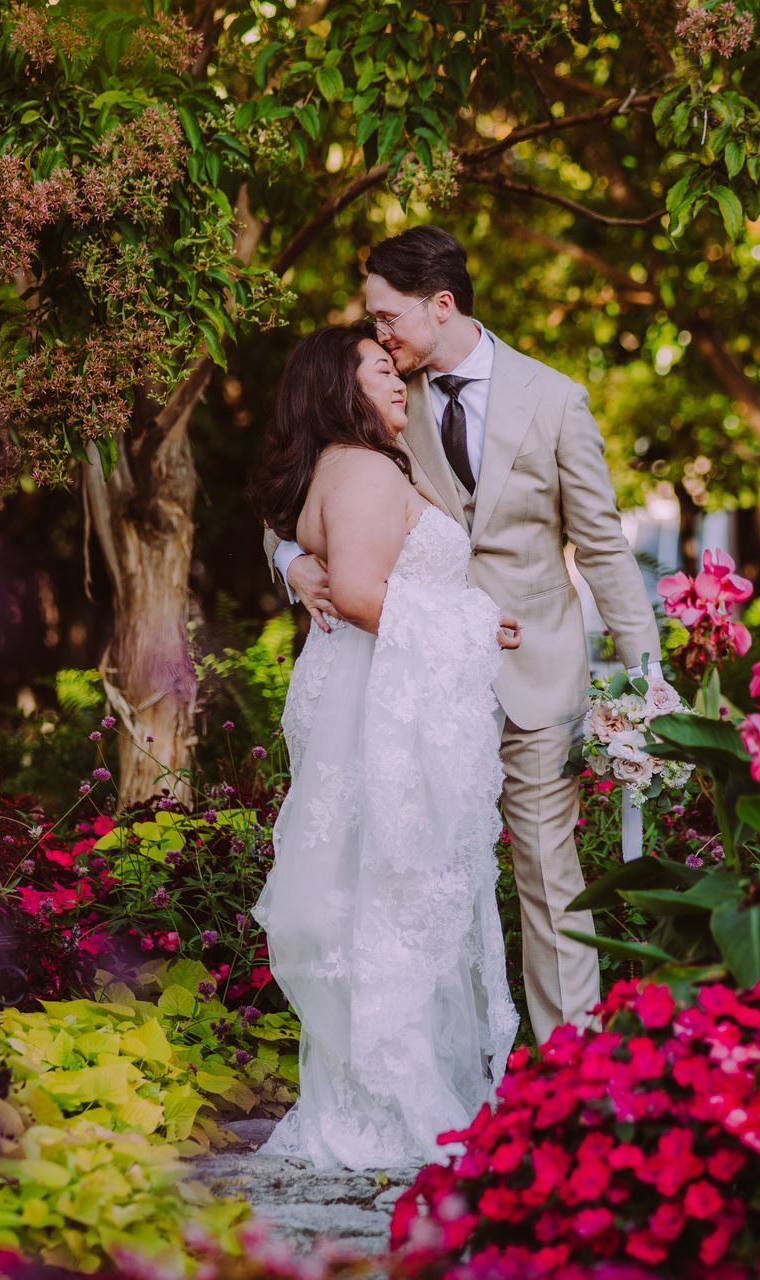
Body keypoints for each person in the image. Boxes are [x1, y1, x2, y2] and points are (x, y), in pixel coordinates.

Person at [269, 226, 663, 1042]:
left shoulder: (554, 399)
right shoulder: (377, 397)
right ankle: (438, 1070)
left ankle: (569, 1076)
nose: (377, 333)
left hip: (535, 683)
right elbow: (300, 487)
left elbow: (601, 547)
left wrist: (647, 677)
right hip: (413, 682)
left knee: (551, 880)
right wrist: (288, 561)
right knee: (417, 877)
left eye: (387, 316)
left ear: (439, 305)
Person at [248, 322, 522, 1169]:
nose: (397, 378)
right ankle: (391, 1105)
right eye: (378, 369)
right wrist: (478, 623)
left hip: (374, 698)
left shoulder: (347, 464)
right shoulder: (363, 469)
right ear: (339, 387)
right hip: (380, 710)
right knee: (392, 895)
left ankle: (378, 1095)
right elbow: (367, 596)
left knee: (375, 893)